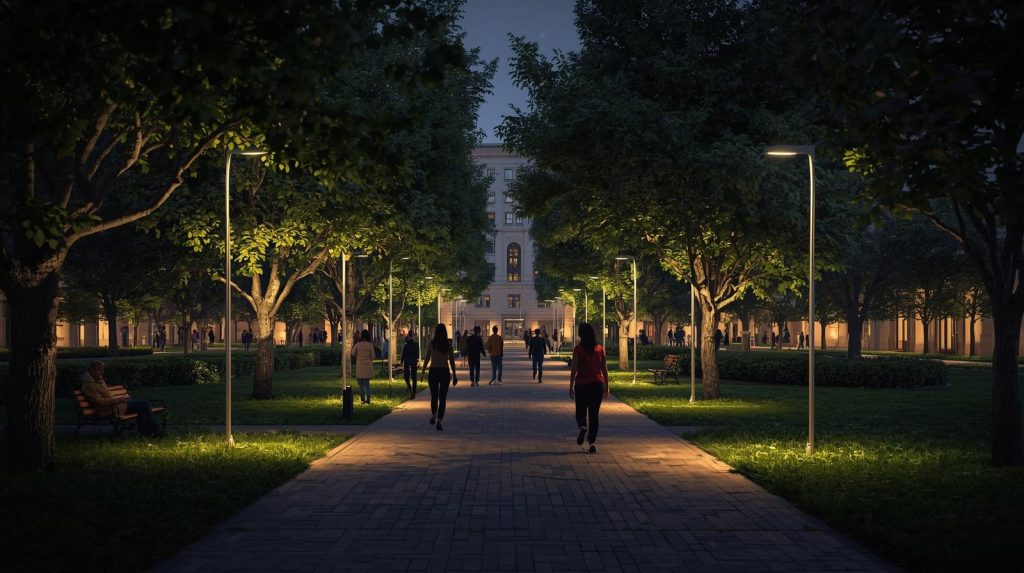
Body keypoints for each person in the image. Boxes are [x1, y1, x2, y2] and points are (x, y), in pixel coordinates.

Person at [80, 361, 163, 438]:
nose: (102, 373)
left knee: (143, 407)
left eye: (102, 370)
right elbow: (99, 402)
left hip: (116, 405)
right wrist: (119, 400)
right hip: (109, 410)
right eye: (99, 370)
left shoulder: (97, 380)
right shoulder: (89, 385)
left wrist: (119, 400)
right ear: (91, 370)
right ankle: (156, 432)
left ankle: (146, 434)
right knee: (144, 405)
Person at [569, 323, 608, 453]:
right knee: (594, 415)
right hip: (597, 385)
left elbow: (574, 369)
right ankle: (592, 443)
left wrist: (570, 386)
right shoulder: (599, 349)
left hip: (582, 385)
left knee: (580, 412)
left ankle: (582, 427)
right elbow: (604, 369)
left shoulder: (578, 350)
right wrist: (606, 386)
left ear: (581, 334)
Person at [421, 323, 458, 431]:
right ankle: (440, 421)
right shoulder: (448, 345)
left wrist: (423, 372)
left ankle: (433, 415)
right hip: (444, 372)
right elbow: (451, 361)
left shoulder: (431, 344)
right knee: (442, 398)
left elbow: (427, 358)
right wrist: (454, 375)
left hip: (433, 371)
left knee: (434, 396)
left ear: (436, 332)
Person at [351, 330, 375, 404]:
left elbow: (353, 353)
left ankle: (363, 400)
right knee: (367, 384)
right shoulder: (370, 345)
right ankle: (368, 399)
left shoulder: (358, 345)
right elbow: (373, 357)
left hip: (360, 367)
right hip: (367, 367)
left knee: (361, 385)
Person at [401, 334, 420, 399]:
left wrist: (402, 361)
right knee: (413, 377)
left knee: (407, 376)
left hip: (408, 361)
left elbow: (403, 354)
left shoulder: (408, 345)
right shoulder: (413, 345)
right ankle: (413, 391)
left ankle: (410, 388)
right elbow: (417, 353)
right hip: (412, 361)